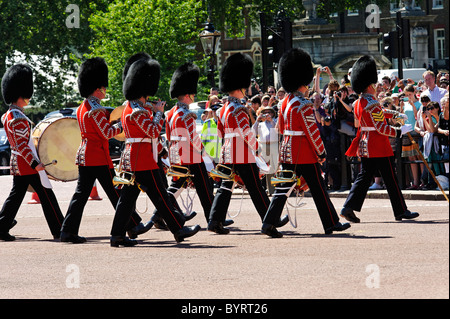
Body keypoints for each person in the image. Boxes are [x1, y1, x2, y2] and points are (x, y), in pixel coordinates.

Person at [59, 57, 152, 244]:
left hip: (87, 155)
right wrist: (123, 125)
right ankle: (131, 225)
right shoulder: (95, 108)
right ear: (98, 87)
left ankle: (68, 231)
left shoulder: (82, 107)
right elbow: (107, 133)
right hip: (97, 157)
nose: (105, 90)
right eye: (103, 87)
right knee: (117, 191)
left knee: (83, 195)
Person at [110, 57, 200, 247]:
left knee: (127, 200)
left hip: (134, 158)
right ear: (143, 91)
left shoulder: (130, 107)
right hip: (142, 159)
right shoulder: (138, 111)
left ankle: (117, 235)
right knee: (160, 196)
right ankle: (178, 229)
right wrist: (159, 112)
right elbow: (152, 131)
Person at [261, 48, 351, 238]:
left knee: (284, 187)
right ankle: (331, 223)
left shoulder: (285, 102)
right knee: (319, 188)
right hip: (303, 152)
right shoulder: (303, 104)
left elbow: (280, 129)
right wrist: (321, 152)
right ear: (303, 80)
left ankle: (269, 223)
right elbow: (311, 132)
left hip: (288, 150)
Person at [207, 53, 288, 235]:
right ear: (240, 87)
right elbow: (246, 133)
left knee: (226, 186)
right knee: (255, 187)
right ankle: (270, 220)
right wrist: (257, 148)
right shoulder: (239, 109)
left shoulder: (224, 109)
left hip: (228, 152)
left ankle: (215, 220)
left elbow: (220, 132)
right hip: (241, 153)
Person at [340, 55, 419, 223]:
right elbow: (381, 127)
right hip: (378, 145)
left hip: (366, 144)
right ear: (369, 85)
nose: (376, 87)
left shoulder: (361, 102)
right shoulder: (372, 103)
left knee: (365, 177)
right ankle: (401, 211)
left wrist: (396, 114)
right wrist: (399, 131)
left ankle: (348, 206)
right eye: (374, 84)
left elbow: (378, 114)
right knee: (389, 178)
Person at [0, 64, 65, 241]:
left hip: (18, 163)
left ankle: (2, 225)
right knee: (46, 195)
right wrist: (36, 164)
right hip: (26, 164)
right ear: (20, 95)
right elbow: (22, 146)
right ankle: (60, 228)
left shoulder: (8, 115)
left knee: (16, 195)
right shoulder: (18, 118)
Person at [163, 62, 215, 224]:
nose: (194, 96)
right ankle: (213, 218)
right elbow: (193, 137)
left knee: (176, 186)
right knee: (205, 189)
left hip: (177, 154)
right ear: (187, 95)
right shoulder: (186, 114)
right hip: (191, 155)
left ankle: (158, 215)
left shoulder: (171, 112)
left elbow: (169, 135)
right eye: (192, 94)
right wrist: (204, 152)